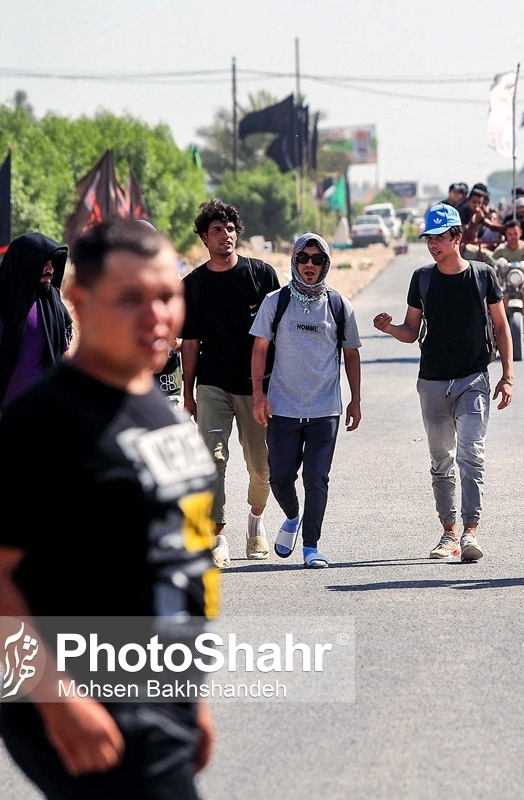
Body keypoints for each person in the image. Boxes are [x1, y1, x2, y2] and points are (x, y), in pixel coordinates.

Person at [0, 220, 218, 798]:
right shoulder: (45, 423)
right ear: (79, 300)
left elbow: (182, 556)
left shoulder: (158, 404)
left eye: (167, 296)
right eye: (129, 299)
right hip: (89, 696)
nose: (155, 317)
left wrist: (190, 698)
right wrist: (55, 700)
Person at [373, 204, 514, 563]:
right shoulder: (422, 278)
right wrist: (389, 328)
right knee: (441, 461)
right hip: (432, 382)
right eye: (429, 239)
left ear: (457, 237)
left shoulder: (483, 275)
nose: (433, 244)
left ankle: (471, 532)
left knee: (471, 455)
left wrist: (508, 376)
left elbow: (501, 327)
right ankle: (448, 532)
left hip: (473, 378)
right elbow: (410, 331)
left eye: (439, 237)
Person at [250, 233, 362, 569]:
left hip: (325, 409)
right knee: (280, 477)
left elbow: (352, 354)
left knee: (317, 479)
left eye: (318, 259)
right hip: (282, 407)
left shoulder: (339, 305)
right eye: (304, 258)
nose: (310, 265)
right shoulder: (276, 301)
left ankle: (311, 546)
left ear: (326, 264)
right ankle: (293, 516)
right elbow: (259, 350)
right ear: (295, 260)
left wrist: (355, 400)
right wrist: (258, 394)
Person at [182, 199, 281, 568]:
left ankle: (255, 522)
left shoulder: (263, 276)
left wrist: (275, 388)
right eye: (216, 231)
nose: (225, 236)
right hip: (212, 384)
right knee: (213, 458)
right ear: (205, 239)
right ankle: (217, 536)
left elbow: (279, 336)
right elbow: (190, 343)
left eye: (229, 229)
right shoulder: (192, 285)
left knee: (261, 467)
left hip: (257, 388)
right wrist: (190, 393)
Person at [0, 232, 72, 410]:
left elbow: (64, 358)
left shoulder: (52, 305)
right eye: (44, 263)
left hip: (43, 416)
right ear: (26, 264)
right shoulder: (3, 304)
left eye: (52, 263)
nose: (50, 269)